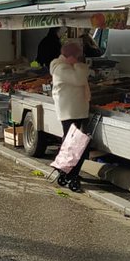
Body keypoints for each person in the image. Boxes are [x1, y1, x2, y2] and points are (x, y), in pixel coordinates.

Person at [50, 39, 91, 192]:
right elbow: (80, 78)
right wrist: (80, 65)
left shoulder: (67, 67)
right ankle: (70, 173)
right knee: (76, 144)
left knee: (75, 142)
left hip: (76, 110)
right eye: (78, 55)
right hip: (71, 111)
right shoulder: (61, 68)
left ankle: (66, 172)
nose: (80, 58)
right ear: (72, 56)